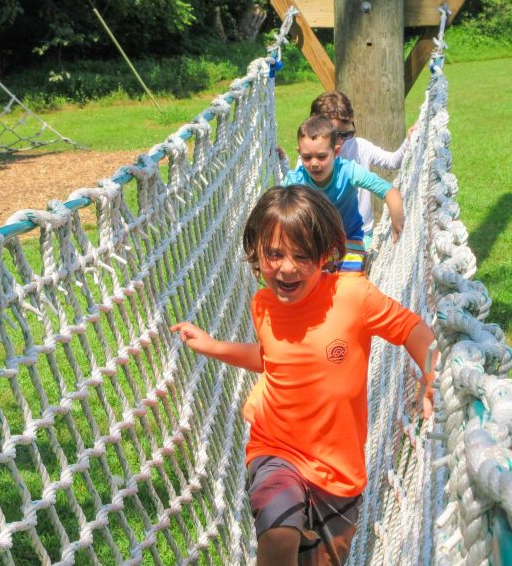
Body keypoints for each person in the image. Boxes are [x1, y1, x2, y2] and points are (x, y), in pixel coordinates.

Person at [171, 185, 437, 566]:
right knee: (278, 533)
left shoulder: (353, 296)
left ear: (326, 255)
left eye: (302, 256)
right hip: (275, 450)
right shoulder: (263, 304)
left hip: (338, 469)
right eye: (274, 254)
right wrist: (212, 345)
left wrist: (432, 375)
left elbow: (412, 329)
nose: (287, 267)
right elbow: (274, 359)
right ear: (255, 253)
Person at [285, 115, 405, 272]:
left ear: (336, 152)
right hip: (314, 243)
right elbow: (275, 216)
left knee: (348, 283)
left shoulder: (349, 171)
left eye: (321, 157)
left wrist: (398, 221)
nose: (314, 163)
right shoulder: (295, 181)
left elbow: (388, 190)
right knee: (308, 282)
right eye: (307, 157)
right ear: (299, 153)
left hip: (350, 238)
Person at [310, 91, 412, 249]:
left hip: (361, 234)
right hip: (323, 236)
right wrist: (282, 161)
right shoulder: (311, 159)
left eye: (347, 133)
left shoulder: (359, 147)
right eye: (336, 134)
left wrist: (409, 141)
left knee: (355, 271)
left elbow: (393, 162)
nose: (342, 140)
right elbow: (295, 191)